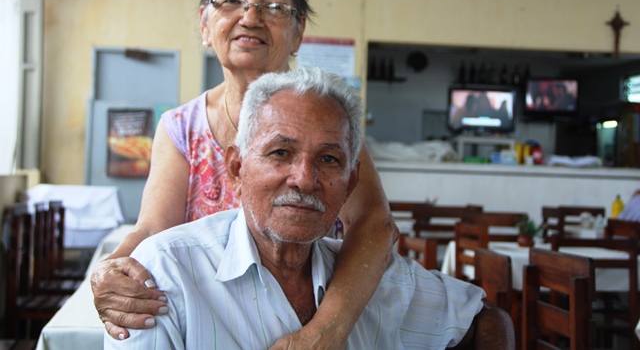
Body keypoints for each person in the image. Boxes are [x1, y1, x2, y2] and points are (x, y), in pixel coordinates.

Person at [91, 0, 398, 348]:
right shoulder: (181, 127)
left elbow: (375, 225)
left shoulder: (327, 124)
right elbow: (152, 228)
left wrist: (323, 334)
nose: (250, 17)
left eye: (273, 6)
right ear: (205, 22)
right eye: (231, 1)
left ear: (298, 30)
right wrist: (110, 269)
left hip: (310, 317)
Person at [103, 68, 515, 350]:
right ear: (236, 167)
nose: (304, 177)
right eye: (281, 152)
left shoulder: (376, 280)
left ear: (351, 183)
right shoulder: (163, 278)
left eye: (329, 160)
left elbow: (487, 321)